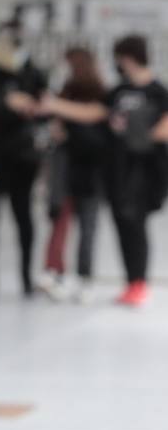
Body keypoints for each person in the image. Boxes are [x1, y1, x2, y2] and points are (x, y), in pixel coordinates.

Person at [40, 35, 168, 307]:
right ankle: (131, 282)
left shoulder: (158, 92)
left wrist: (141, 134)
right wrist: (55, 105)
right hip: (118, 170)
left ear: (129, 57)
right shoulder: (118, 92)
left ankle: (138, 282)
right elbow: (93, 112)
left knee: (136, 225)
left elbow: (163, 129)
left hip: (146, 171)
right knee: (122, 222)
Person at [0, 26, 47, 297]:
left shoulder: (34, 72)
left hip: (23, 158)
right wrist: (6, 103)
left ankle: (27, 277)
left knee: (24, 217)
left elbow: (44, 109)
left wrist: (33, 107)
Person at [35, 47, 107, 303]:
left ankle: (84, 277)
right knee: (59, 223)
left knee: (87, 228)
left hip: (89, 172)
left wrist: (60, 112)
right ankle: (55, 272)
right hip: (64, 171)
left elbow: (94, 121)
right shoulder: (63, 93)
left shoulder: (101, 96)